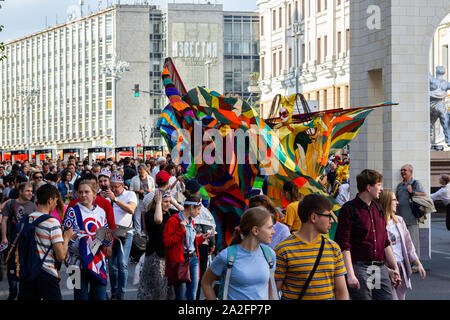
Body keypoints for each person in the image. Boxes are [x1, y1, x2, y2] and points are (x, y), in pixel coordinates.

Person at [335, 169, 402, 300]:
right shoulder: (349, 209)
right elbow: (344, 245)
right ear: (368, 187)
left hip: (378, 268)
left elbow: (385, 242)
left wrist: (395, 268)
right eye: (379, 185)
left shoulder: (378, 209)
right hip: (359, 267)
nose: (381, 189)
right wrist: (350, 274)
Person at [275, 194, 349, 300]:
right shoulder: (283, 250)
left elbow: (341, 291)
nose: (331, 220)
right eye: (328, 216)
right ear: (313, 217)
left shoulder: (334, 248)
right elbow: (273, 292)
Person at [201, 207, 277, 300]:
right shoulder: (227, 256)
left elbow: (271, 289)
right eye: (270, 227)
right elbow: (206, 282)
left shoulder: (269, 255)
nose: (273, 232)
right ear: (255, 230)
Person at [17, 184, 73, 300]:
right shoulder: (52, 222)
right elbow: (61, 256)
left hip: (28, 271)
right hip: (46, 273)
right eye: (56, 200)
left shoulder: (28, 218)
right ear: (50, 200)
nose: (56, 204)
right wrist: (67, 238)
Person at [63, 180, 113, 300]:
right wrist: (79, 238)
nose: (83, 195)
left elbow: (107, 237)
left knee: (100, 295)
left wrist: (107, 240)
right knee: (80, 296)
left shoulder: (101, 212)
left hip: (97, 261)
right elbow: (66, 236)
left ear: (94, 194)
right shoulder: (72, 211)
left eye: (87, 192)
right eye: (80, 192)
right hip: (75, 262)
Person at [163, 194, 213, 300]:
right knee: (181, 296)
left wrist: (202, 238)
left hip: (193, 259)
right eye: (198, 209)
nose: (199, 212)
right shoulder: (173, 220)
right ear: (191, 207)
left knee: (192, 294)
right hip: (180, 260)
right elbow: (167, 242)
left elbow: (191, 242)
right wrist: (181, 231)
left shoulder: (191, 221)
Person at [379, 190, 426, 300]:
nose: (397, 202)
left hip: (401, 267)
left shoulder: (399, 221)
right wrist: (386, 269)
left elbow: (409, 244)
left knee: (400, 297)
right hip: (385, 268)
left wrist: (418, 263)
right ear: (386, 202)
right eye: (394, 200)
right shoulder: (378, 222)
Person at [1, 182, 38, 300]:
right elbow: (4, 221)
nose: (30, 193)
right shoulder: (11, 203)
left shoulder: (33, 206)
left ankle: (22, 291)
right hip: (12, 242)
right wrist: (4, 237)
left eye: (31, 191)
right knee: (11, 267)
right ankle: (13, 290)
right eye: (27, 191)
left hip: (27, 244)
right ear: (20, 191)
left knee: (24, 267)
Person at [103, 172, 137, 300]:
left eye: (116, 187)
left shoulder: (130, 194)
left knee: (122, 263)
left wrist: (115, 200)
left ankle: (121, 293)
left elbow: (131, 209)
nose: (113, 189)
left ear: (123, 185)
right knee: (112, 265)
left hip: (125, 233)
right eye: (111, 187)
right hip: (111, 233)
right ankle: (114, 292)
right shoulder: (108, 197)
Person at [137, 190, 176, 300]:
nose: (168, 204)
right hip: (155, 257)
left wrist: (173, 201)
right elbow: (158, 220)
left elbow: (184, 212)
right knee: (155, 289)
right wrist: (158, 202)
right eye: (165, 202)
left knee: (167, 290)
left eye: (169, 201)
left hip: (168, 257)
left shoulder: (171, 213)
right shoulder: (150, 214)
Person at [184, 180, 217, 300]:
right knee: (198, 276)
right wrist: (212, 244)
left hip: (185, 246)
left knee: (185, 277)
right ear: (197, 192)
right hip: (200, 246)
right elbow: (210, 228)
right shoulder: (200, 208)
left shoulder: (183, 205)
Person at [395, 164, 426, 261]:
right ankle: (406, 263)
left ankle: (416, 265)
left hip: (412, 219)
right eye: (401, 170)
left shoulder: (415, 183)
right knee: (403, 243)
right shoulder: (399, 185)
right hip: (400, 220)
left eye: (405, 170)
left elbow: (424, 195)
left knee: (413, 243)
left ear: (411, 172)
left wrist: (412, 192)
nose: (402, 172)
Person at [129, 164, 155, 236]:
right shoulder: (134, 179)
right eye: (139, 169)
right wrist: (138, 191)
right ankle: (138, 233)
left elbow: (154, 188)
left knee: (147, 217)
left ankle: (147, 232)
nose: (140, 171)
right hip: (138, 200)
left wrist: (150, 191)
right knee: (137, 217)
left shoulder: (150, 178)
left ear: (145, 170)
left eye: (141, 169)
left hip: (148, 201)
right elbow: (130, 190)